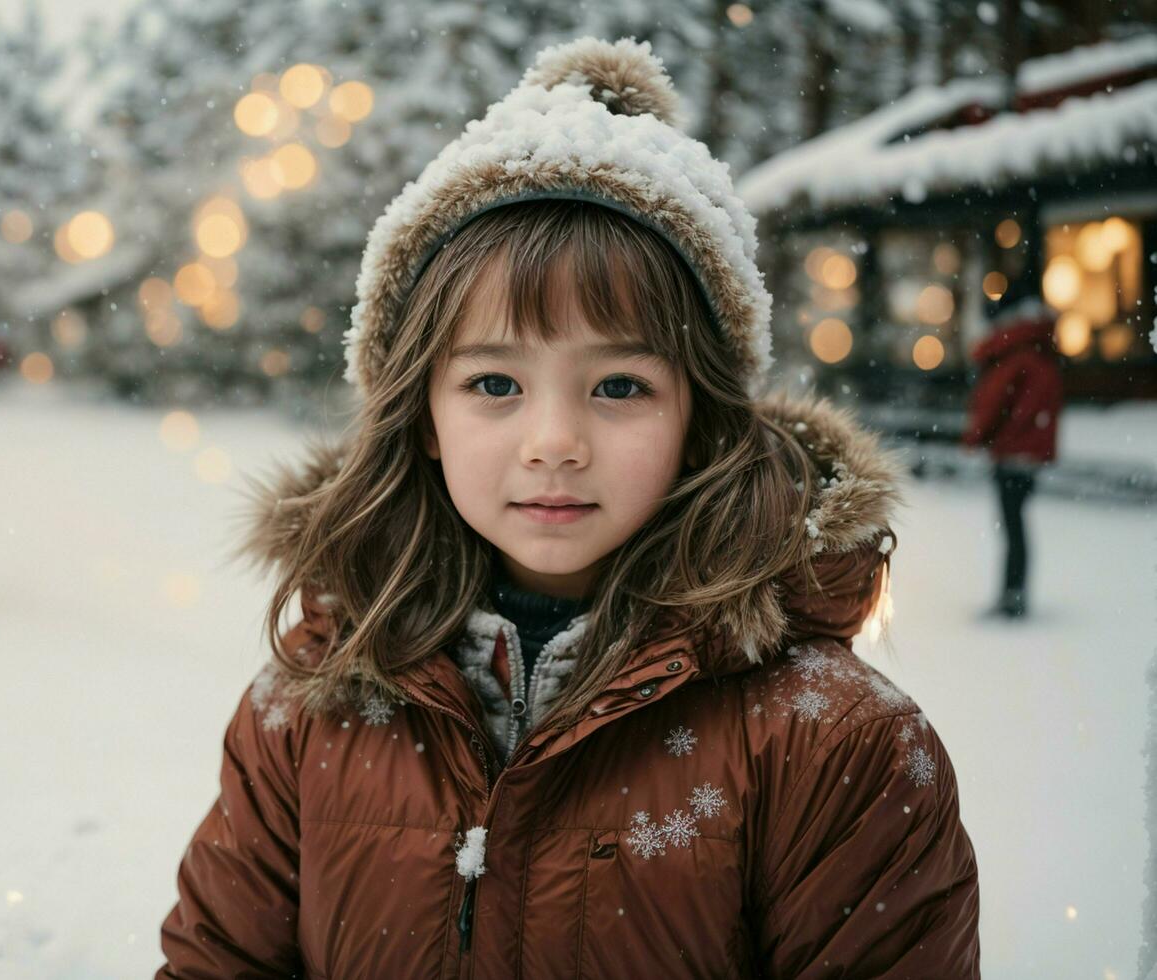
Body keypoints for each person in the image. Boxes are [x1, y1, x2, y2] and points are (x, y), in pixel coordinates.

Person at [159, 38, 979, 976]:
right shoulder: (305, 709)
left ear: (698, 418)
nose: (555, 441)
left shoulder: (831, 741)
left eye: (620, 387)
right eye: (496, 383)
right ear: (423, 416)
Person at [960, 275, 1062, 620]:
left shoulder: (1015, 354)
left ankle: (1012, 595)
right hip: (1028, 452)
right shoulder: (1038, 350)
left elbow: (995, 403)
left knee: (1012, 524)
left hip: (1013, 451)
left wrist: (979, 435)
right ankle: (1014, 592)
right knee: (1016, 523)